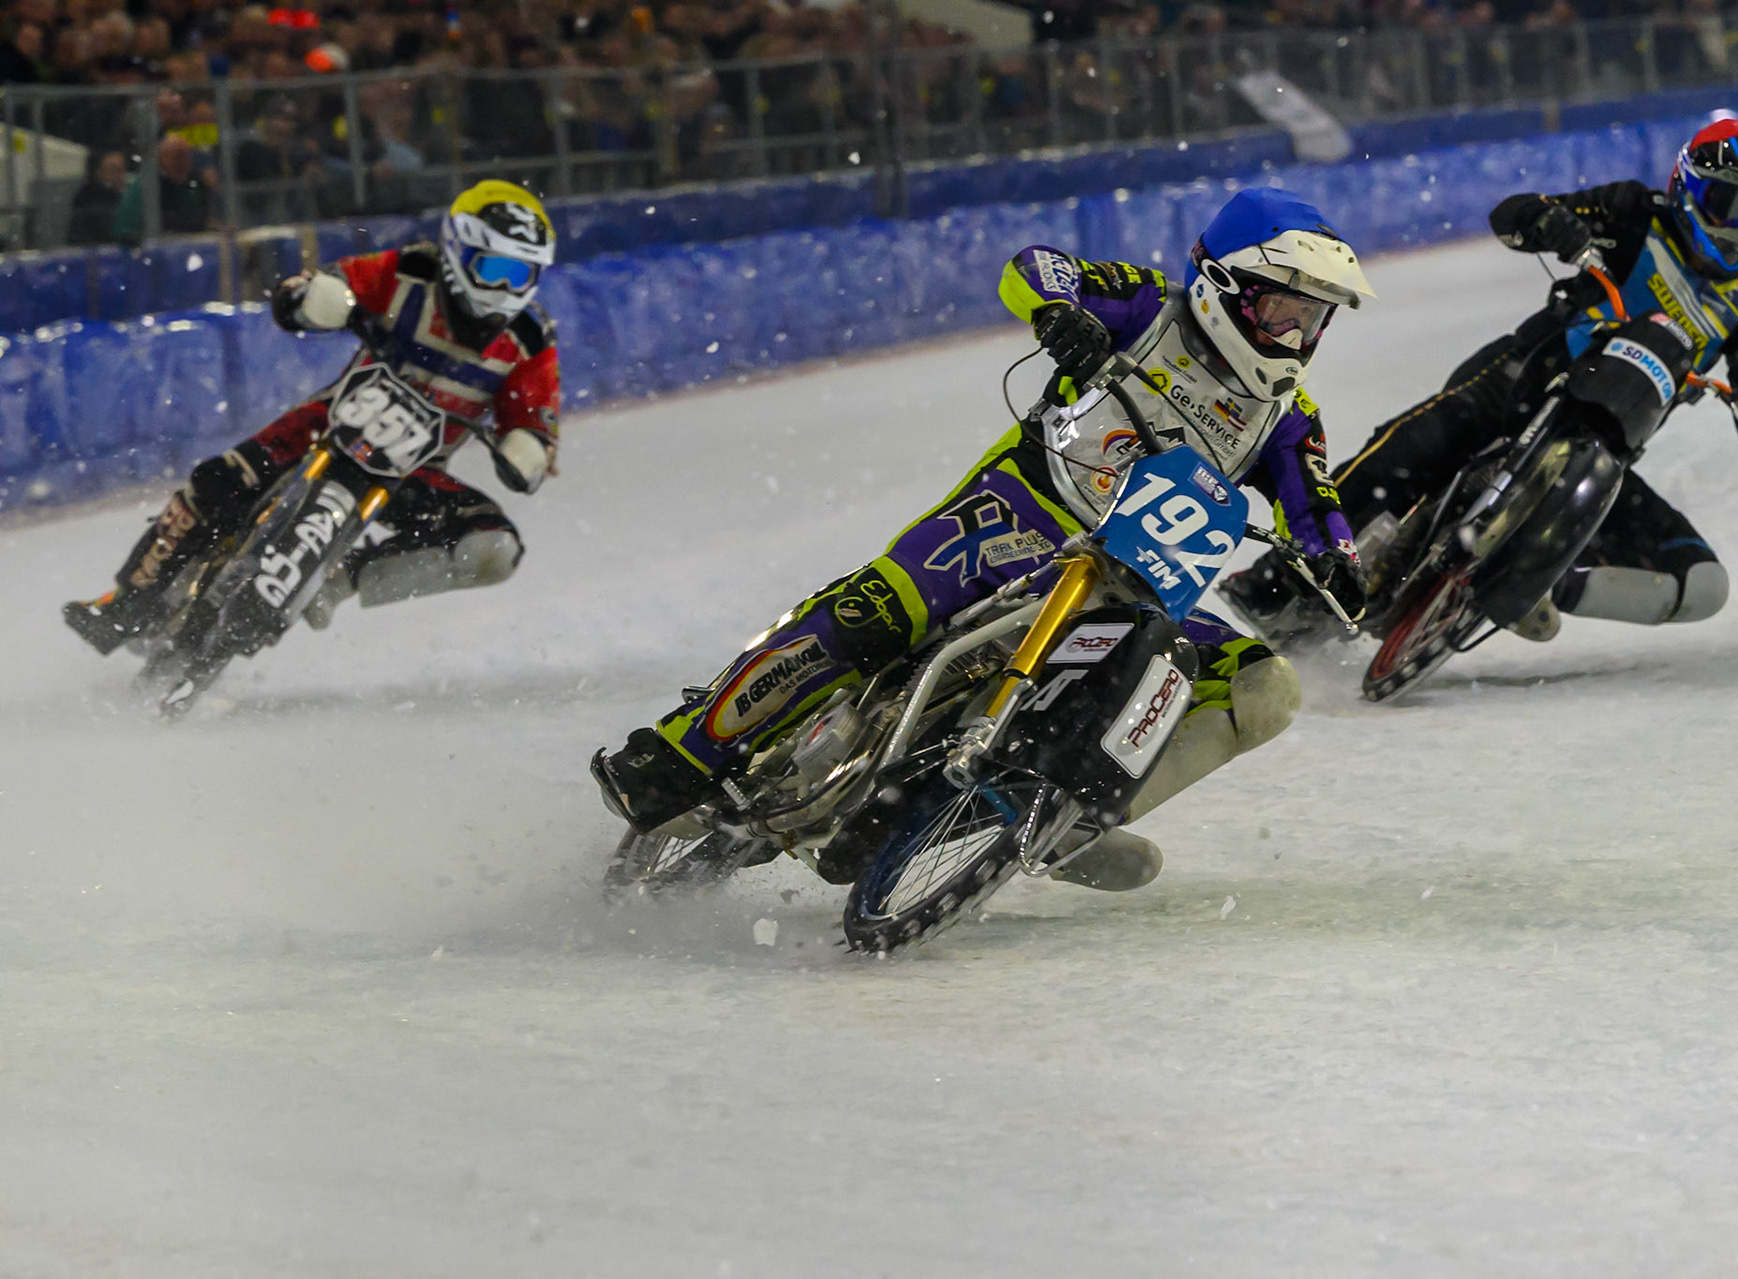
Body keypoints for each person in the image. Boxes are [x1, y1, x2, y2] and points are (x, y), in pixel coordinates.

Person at [590, 187, 1372, 892]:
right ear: (1224, 286)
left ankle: (1065, 810)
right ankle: (684, 750)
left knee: (1264, 689)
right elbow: (1039, 265)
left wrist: (1337, 558)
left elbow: (1318, 502)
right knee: (882, 609)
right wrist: (1057, 313)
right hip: (1023, 510)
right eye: (1283, 309)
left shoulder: (1288, 418)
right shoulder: (1148, 306)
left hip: (1138, 585)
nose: (1299, 332)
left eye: (1313, 317)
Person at [1222, 117, 1738, 643]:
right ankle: (1274, 580)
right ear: (1689, 185)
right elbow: (1516, 215)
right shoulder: (1634, 211)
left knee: (1699, 582)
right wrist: (1553, 223)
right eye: (1732, 206)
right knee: (1409, 447)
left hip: (1604, 447)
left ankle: (1547, 580)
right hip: (1524, 377)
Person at [64, 180, 561, 654]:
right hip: (328, 424)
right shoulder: (410, 271)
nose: (500, 287)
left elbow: (535, 419)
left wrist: (530, 447)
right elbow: (319, 287)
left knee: (492, 549)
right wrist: (312, 300)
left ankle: (341, 577)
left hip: (415, 470)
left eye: (517, 274)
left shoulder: (530, 340)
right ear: (457, 250)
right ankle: (128, 603)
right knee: (215, 484)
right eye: (491, 267)